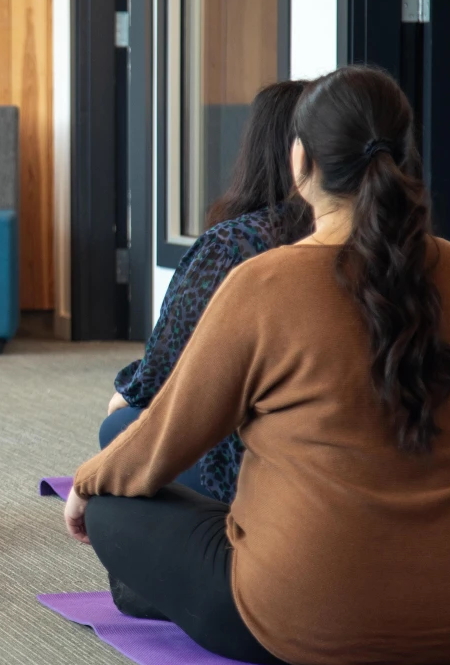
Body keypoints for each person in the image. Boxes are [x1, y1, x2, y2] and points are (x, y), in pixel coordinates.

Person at [64, 66, 450, 665]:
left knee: (112, 503)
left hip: (301, 619)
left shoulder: (263, 281)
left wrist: (85, 486)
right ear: (406, 158)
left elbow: (158, 444)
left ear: (300, 161)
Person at [100, 80, 311, 502]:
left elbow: (164, 371)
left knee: (120, 430)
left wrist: (126, 393)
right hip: (368, 462)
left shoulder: (234, 245)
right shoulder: (390, 248)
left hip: (264, 467)